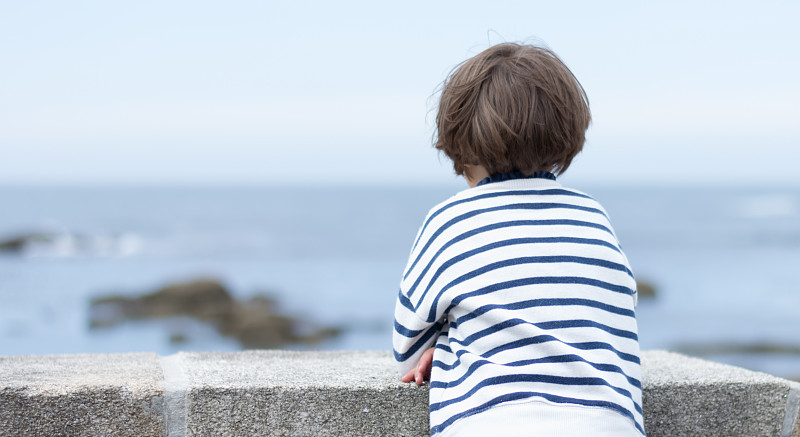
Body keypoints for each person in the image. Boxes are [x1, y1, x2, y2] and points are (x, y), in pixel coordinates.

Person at [392, 42, 644, 436]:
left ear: (462, 144)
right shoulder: (593, 215)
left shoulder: (449, 219)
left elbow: (405, 354)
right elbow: (613, 313)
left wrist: (446, 339)